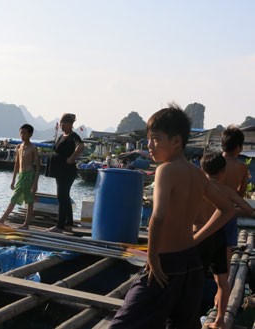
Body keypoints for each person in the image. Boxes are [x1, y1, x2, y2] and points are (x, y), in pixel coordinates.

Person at [109, 104, 235, 329]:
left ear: (176, 141)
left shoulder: (165, 170)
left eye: (155, 139)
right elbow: (227, 209)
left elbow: (157, 217)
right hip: (192, 266)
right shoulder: (198, 174)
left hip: (165, 264)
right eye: (148, 139)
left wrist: (153, 258)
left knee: (123, 324)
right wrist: (197, 239)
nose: (149, 145)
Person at [194, 152, 254, 329]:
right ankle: (219, 320)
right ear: (222, 172)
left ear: (201, 169)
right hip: (218, 237)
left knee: (194, 280)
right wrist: (232, 211)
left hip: (199, 237)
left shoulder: (198, 189)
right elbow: (248, 210)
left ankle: (191, 318)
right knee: (222, 281)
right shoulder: (226, 191)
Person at [0, 124, 40, 229]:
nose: (22, 135)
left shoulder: (33, 148)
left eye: (24, 133)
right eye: (21, 133)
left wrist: (35, 183)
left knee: (28, 200)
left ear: (30, 134)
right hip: (21, 175)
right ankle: (3, 220)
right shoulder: (19, 147)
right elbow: (16, 164)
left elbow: (38, 167)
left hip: (29, 175)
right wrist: (13, 179)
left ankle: (23, 223)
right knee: (17, 197)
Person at [46, 113, 84, 233]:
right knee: (64, 196)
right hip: (60, 171)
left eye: (64, 123)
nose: (62, 125)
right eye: (61, 123)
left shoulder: (73, 136)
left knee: (61, 196)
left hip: (67, 171)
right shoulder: (62, 135)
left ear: (70, 124)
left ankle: (60, 226)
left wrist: (72, 158)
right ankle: (68, 223)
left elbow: (81, 146)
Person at [221, 125, 250, 263]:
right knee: (226, 251)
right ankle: (224, 281)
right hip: (228, 213)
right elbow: (240, 194)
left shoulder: (211, 161)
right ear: (239, 147)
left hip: (208, 211)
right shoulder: (242, 168)